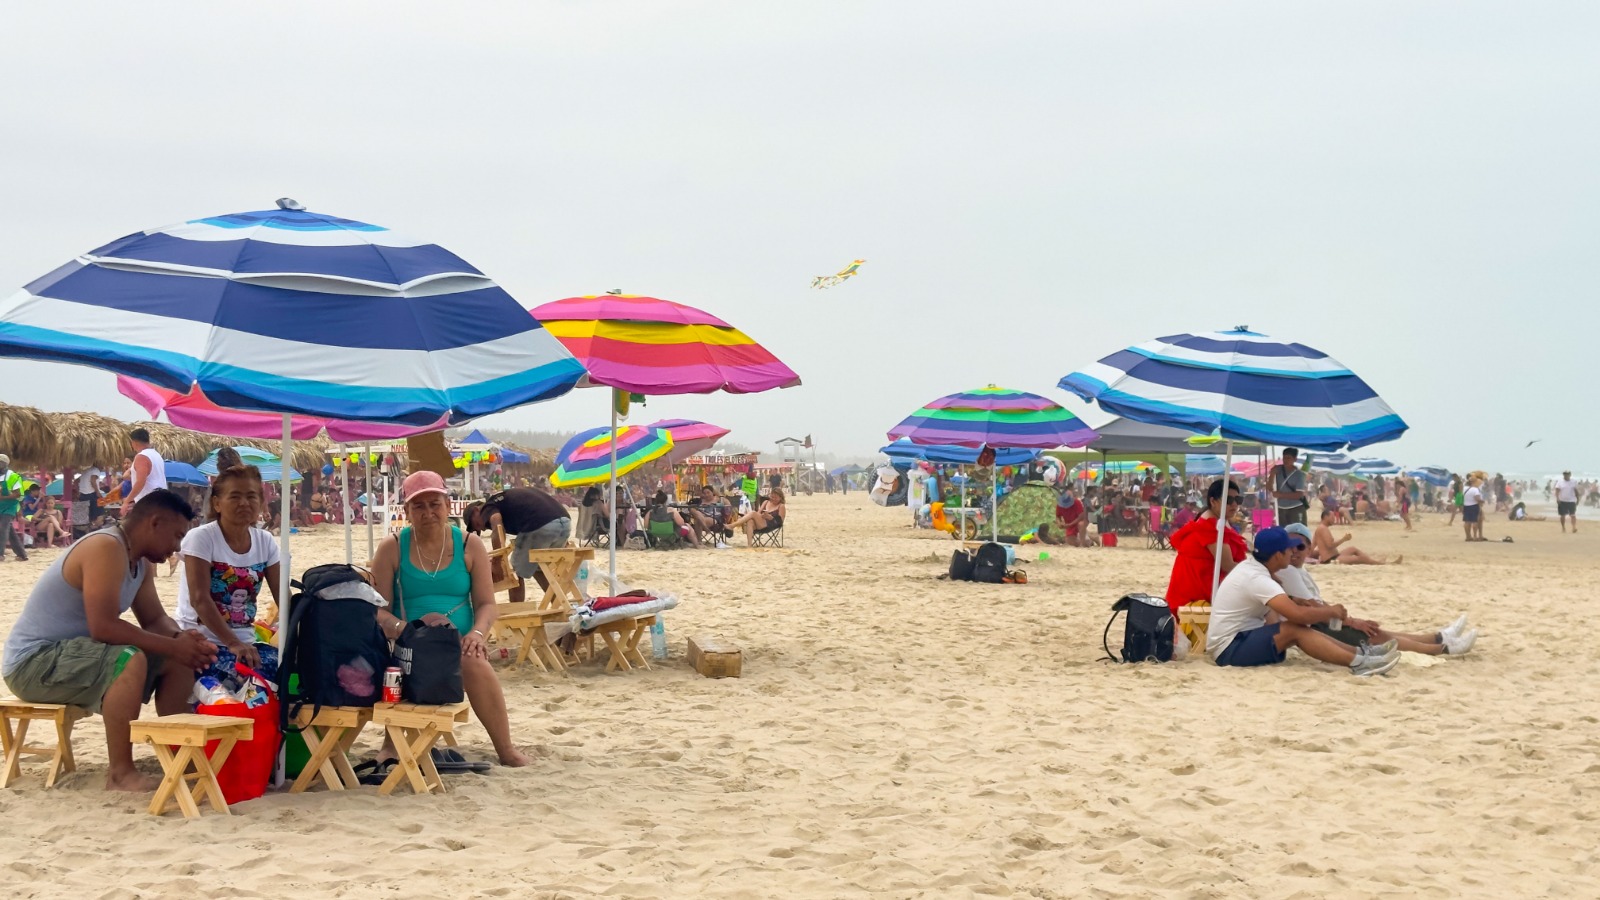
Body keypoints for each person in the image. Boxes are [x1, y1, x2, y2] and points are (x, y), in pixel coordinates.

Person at [1, 490, 217, 790]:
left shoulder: (139, 561)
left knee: (177, 660)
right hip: (33, 663)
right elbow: (103, 627)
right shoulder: (105, 547)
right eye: (177, 535)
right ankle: (120, 774)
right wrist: (173, 644)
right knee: (128, 658)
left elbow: (154, 619)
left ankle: (181, 757)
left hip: (74, 656)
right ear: (154, 523)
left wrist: (182, 640)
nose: (177, 547)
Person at [370, 471, 528, 767]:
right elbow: (377, 609)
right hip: (410, 644)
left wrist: (477, 634)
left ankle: (505, 749)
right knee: (398, 665)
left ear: (448, 505)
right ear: (406, 511)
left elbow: (486, 604)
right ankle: (392, 743)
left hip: (459, 641)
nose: (428, 512)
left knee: (473, 659)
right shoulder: (392, 548)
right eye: (418, 506)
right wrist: (401, 628)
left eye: (435, 504)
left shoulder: (469, 545)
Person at [1207, 527, 1400, 676]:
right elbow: (1298, 616)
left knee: (1296, 627)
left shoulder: (1252, 568)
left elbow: (1271, 601)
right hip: (1229, 648)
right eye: (1288, 549)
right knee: (1295, 629)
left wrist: (1295, 600)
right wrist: (1330, 611)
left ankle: (1360, 654)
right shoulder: (1258, 578)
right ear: (1278, 555)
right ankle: (1360, 663)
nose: (1292, 552)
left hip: (1235, 640)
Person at [1280, 523, 1475, 656]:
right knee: (1376, 636)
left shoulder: (1298, 569)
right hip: (1315, 627)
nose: (1294, 551)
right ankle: (1443, 649)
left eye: (1300, 546)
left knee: (1377, 632)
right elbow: (1312, 607)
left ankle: (1438, 637)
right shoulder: (1288, 570)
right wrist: (1350, 621)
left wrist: (1347, 619)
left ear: (1308, 549)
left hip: (1320, 622)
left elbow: (1317, 603)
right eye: (1290, 546)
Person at [176, 465, 284, 692]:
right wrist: (233, 643)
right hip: (203, 642)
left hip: (247, 642)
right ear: (217, 504)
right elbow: (199, 599)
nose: (244, 503)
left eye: (251, 496)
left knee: (292, 674)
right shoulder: (202, 538)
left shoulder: (265, 541)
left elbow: (283, 597)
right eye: (235, 496)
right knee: (239, 682)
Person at [463, 486, 572, 604]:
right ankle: (558, 604)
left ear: (476, 511)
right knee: (539, 567)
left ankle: (516, 608)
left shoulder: (488, 506)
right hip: (565, 523)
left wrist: (497, 562)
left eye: (476, 525)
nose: (483, 529)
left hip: (540, 524)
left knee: (514, 571)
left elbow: (497, 527)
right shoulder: (503, 499)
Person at [1163, 478, 1248, 617]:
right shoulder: (1209, 527)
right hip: (1197, 596)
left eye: (1238, 500)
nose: (1234, 504)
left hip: (1206, 588)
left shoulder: (1217, 521)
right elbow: (1227, 565)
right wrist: (1258, 571)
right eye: (1228, 500)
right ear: (1213, 501)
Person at [1311, 508, 1399, 564]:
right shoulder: (1323, 529)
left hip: (1334, 556)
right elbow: (1330, 545)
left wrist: (1313, 557)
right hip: (1331, 560)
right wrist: (1344, 539)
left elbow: (1312, 546)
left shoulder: (1320, 528)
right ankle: (1381, 563)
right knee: (1359, 559)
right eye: (1332, 517)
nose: (1334, 519)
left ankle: (1374, 561)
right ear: (1325, 517)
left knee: (1353, 549)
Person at [122, 428, 167, 516]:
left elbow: (140, 482)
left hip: (149, 501)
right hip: (160, 498)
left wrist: (127, 501)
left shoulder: (142, 457)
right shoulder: (157, 455)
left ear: (134, 442)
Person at [1269, 448, 1309, 527]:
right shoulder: (1277, 470)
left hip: (1295, 507)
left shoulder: (1299, 474)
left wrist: (1280, 495)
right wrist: (1272, 474)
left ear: (1295, 459)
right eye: (1284, 458)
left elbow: (1299, 495)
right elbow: (1270, 488)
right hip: (1281, 508)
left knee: (1297, 530)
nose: (1286, 460)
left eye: (1289, 458)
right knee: (1283, 531)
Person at [1463, 475, 1486, 542]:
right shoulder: (1475, 489)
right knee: (1474, 521)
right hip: (1474, 506)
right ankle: (1475, 536)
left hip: (1466, 506)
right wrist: (1482, 501)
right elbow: (1477, 498)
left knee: (1467, 521)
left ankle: (1468, 536)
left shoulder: (1464, 488)